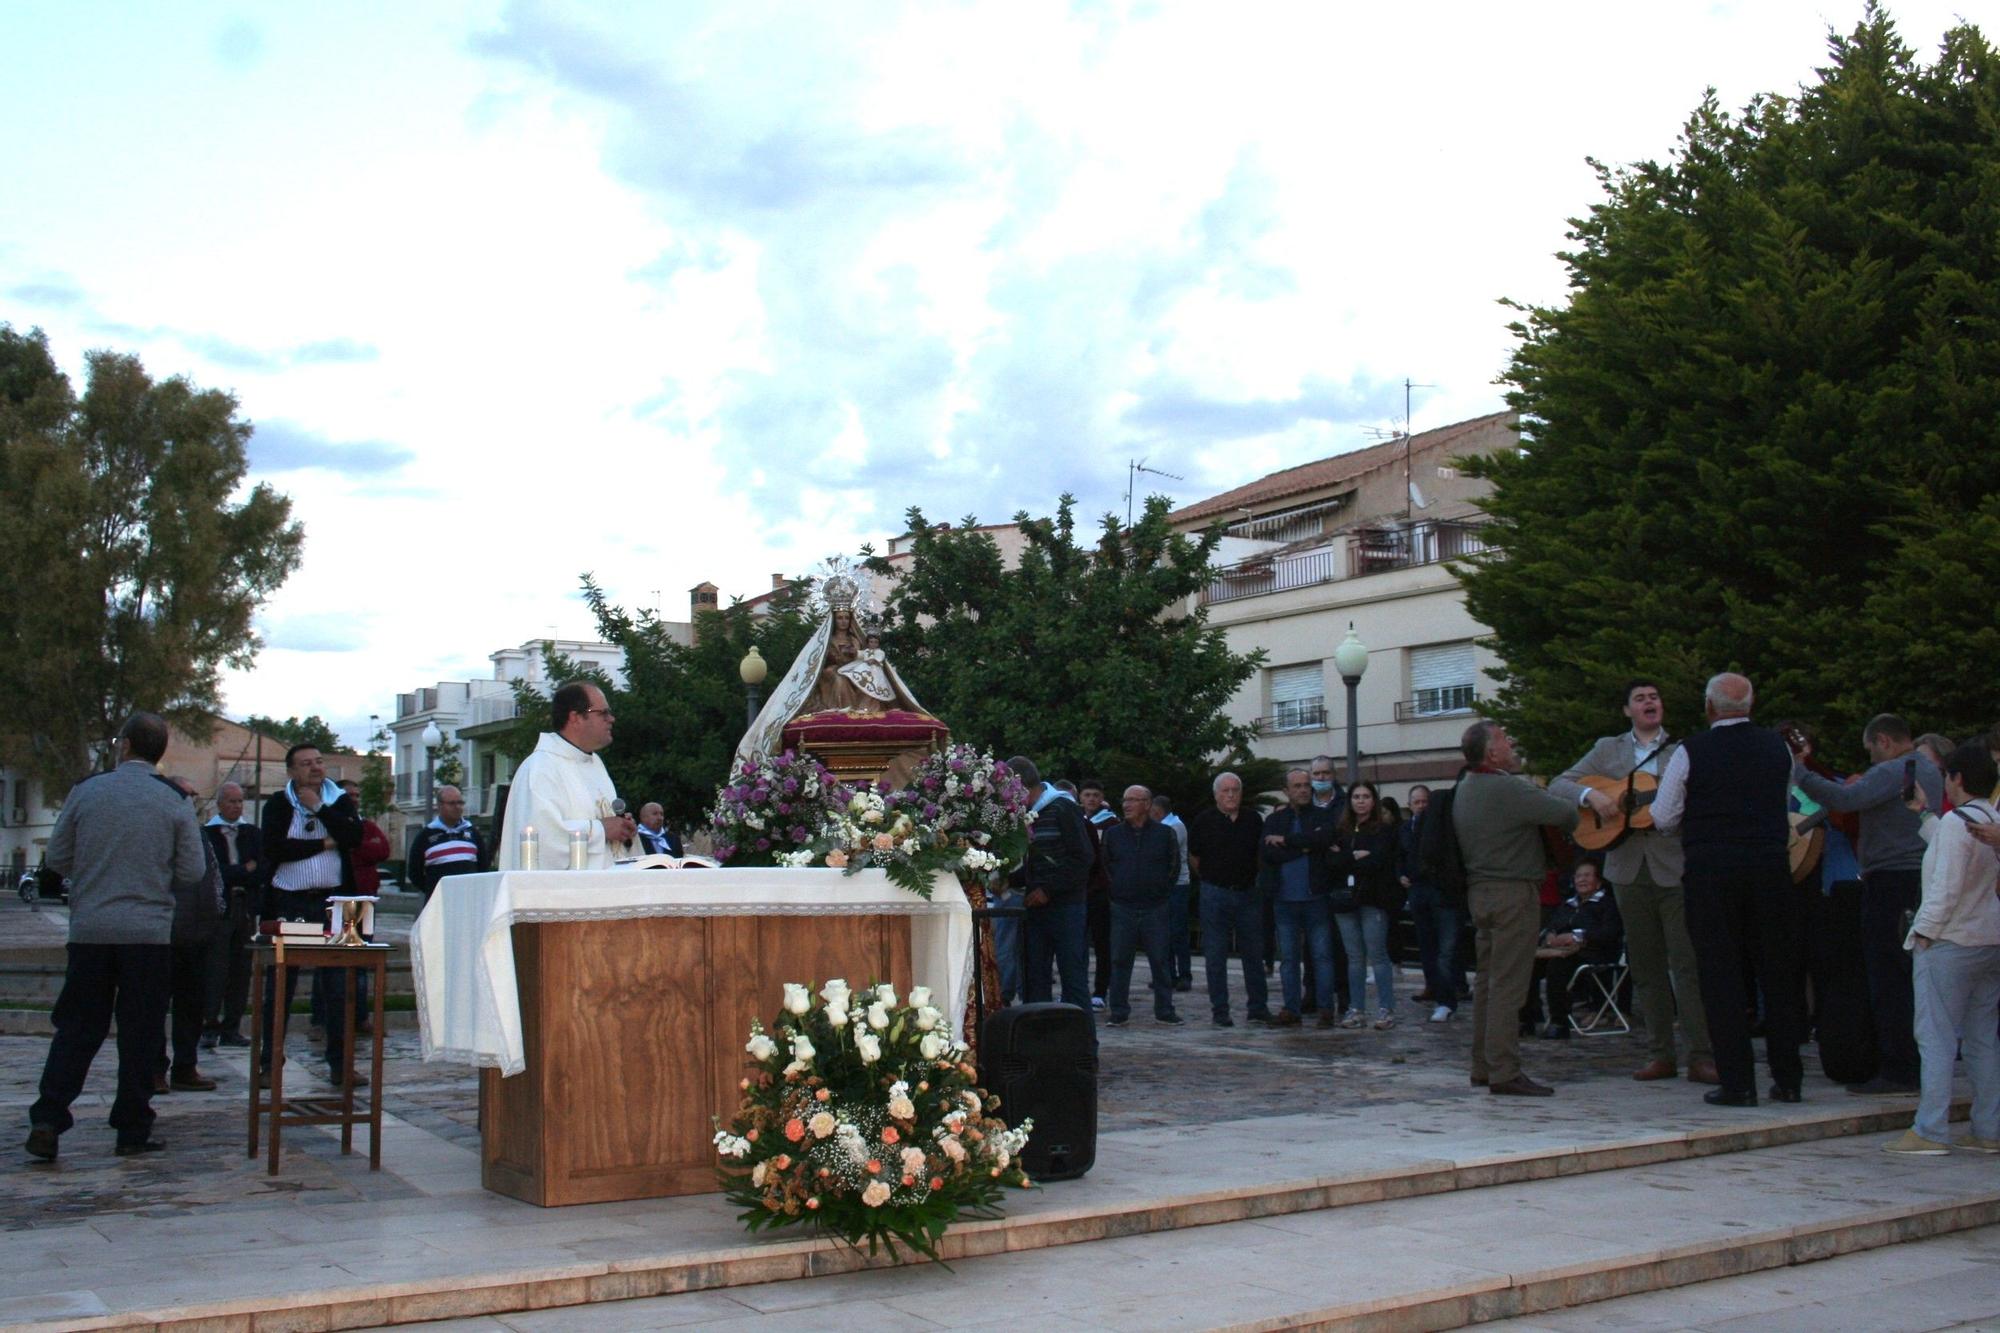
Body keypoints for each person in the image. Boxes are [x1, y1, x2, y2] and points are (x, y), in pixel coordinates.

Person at [26, 713, 207, 1161]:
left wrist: (94, 873)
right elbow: (192, 870)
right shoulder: (172, 801)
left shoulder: (87, 791)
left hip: (91, 930)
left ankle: (49, 1117)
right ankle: (132, 1127)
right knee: (141, 1032)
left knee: (76, 1029)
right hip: (147, 934)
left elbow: (59, 856)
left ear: (123, 745)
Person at [1549, 680, 1718, 1086]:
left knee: (1687, 963)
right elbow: (1559, 783)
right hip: (1626, 867)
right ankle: (1660, 1053)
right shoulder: (1609, 749)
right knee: (1645, 965)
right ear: (1627, 710)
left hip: (1672, 865)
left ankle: (1702, 1055)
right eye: (1640, 699)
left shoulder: (1682, 751)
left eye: (1655, 697)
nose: (1649, 703)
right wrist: (1593, 796)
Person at [1650, 673, 1804, 1107]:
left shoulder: (1690, 751)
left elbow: (1663, 816)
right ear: (1751, 706)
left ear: (1709, 707)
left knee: (1721, 977)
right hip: (1771, 870)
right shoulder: (1779, 749)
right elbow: (1784, 797)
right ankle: (1788, 1078)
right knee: (1777, 974)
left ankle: (1737, 1082)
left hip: (1712, 871)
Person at [1791, 713, 1942, 1095]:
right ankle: (1913, 1064)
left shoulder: (1896, 770)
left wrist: (1801, 770)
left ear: (1884, 741)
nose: (1871, 759)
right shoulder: (1924, 768)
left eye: (1871, 750)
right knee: (1907, 976)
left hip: (1891, 879)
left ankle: (1899, 1068)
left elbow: (1847, 798)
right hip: (1915, 876)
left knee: (1889, 975)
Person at [1452, 719, 1579, 1097]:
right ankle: (1505, 1070)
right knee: (1509, 986)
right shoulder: (1506, 787)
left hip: (1482, 892)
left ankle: (1483, 1066)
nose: (1512, 744)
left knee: (1489, 985)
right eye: (1506, 740)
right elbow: (1565, 814)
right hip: (1513, 892)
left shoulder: (1466, 787)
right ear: (1492, 752)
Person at [1885, 743, 2000, 1154]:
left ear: (1958, 779)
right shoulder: (1991, 818)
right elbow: (1959, 854)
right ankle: (1989, 1129)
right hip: (1988, 941)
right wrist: (1926, 815)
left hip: (1950, 942)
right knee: (1983, 1038)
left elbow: (1946, 886)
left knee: (1934, 1036)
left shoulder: (1958, 824)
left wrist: (1922, 933)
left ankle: (1930, 1129)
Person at [259, 743, 366, 1087]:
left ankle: (341, 1063)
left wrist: (318, 808)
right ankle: (269, 1062)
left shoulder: (338, 800)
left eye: (319, 761)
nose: (315, 768)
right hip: (292, 903)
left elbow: (354, 836)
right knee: (281, 985)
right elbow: (277, 848)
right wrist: (325, 843)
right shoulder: (278, 804)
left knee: (340, 987)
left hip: (338, 905)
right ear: (291, 771)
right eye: (306, 764)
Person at [497, 682, 636, 871]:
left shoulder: (595, 764)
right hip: (563, 895)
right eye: (603, 713)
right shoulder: (541, 767)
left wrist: (622, 828)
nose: (611, 719)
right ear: (576, 717)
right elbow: (541, 839)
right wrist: (601, 830)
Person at [1261, 768, 1351, 1029]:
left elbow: (1324, 839)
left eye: (1305, 785)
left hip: (1316, 898)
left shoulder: (1322, 816)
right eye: (1297, 786)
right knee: (1288, 959)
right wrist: (1305, 847)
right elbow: (1268, 853)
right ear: (1286, 791)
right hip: (1284, 900)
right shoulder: (1275, 820)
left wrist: (1289, 842)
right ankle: (1291, 1008)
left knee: (1322, 957)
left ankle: (1325, 1008)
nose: (1302, 790)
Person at [1010, 757, 1095, 1020]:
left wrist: (1047, 890)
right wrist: (1010, 879)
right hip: (1035, 910)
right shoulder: (1026, 814)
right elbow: (1037, 863)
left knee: (1073, 981)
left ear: (1021, 786)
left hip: (1066, 907)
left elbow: (1082, 858)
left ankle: (1083, 1050)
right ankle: (1041, 1046)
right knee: (1034, 982)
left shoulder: (1062, 808)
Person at [159, 776, 226, 1094]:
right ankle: (154, 1069)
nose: (193, 801)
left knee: (191, 1005)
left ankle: (185, 1066)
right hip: (164, 932)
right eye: (187, 794)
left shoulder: (199, 834)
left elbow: (212, 876)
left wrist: (217, 912)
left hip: (199, 934)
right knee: (156, 1006)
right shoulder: (158, 832)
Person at [1188, 771, 1269, 1027]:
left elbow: (1259, 856)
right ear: (1216, 795)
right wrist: (1211, 879)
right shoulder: (1204, 821)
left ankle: (1257, 1007)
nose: (1231, 795)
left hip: (1247, 892)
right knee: (1215, 954)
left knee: (1253, 953)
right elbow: (1194, 858)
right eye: (1226, 790)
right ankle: (1220, 1010)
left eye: (1235, 790)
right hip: (1215, 892)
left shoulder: (1253, 820)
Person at [1099, 784, 1184, 1027]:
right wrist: (1116, 891)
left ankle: (1165, 1009)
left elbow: (1173, 865)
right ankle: (1118, 1010)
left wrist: (1161, 892)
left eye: (1133, 800)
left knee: (1160, 960)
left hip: (1155, 906)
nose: (1126, 805)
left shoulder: (1164, 834)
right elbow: (1106, 865)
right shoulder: (1113, 834)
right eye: (1125, 800)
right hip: (1123, 906)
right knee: (1119, 960)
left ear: (1147, 804)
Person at [1529, 858, 1625, 1039]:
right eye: (1579, 876)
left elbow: (1610, 933)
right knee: (1528, 966)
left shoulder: (1607, 904)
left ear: (1598, 881)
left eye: (1587, 875)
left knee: (1557, 967)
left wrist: (1576, 936)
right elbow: (1553, 925)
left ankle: (1559, 1022)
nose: (1582, 880)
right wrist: (1550, 936)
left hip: (1594, 952)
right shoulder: (1568, 903)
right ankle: (1528, 1018)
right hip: (1562, 951)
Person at [1333, 781, 1401, 1029]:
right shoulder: (1341, 830)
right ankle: (1356, 1008)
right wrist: (1354, 856)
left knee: (1378, 955)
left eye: (1365, 796)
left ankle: (1386, 1009)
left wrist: (1350, 859)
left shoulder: (1384, 831)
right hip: (1345, 901)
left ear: (1374, 800)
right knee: (1354, 957)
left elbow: (1379, 861)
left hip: (1373, 899)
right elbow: (1333, 860)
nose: (1360, 801)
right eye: (1356, 796)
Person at [201, 782, 262, 1050]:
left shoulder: (251, 833)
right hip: (219, 909)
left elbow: (261, 869)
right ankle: (209, 1024)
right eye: (231, 801)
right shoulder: (207, 835)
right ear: (220, 804)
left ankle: (232, 1027)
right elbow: (213, 873)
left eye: (240, 801)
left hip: (245, 908)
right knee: (216, 968)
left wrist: (242, 872)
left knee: (241, 969)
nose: (237, 806)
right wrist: (242, 870)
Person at [1400, 785, 1464, 1023]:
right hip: (1421, 893)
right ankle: (1440, 994)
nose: (1422, 807)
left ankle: (1447, 998)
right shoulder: (1411, 829)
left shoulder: (1447, 831)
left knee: (1445, 951)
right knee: (1430, 949)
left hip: (1442, 895)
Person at [338, 778, 391, 1033]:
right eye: (350, 795)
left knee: (361, 960)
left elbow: (381, 850)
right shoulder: (334, 826)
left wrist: (358, 848)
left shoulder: (366, 826)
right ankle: (332, 1018)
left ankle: (360, 1017)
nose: (355, 799)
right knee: (336, 962)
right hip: (342, 900)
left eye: (357, 795)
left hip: (363, 900)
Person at [1307, 755, 1352, 1016]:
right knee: (1311, 945)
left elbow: (1342, 840)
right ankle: (1311, 993)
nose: (1321, 778)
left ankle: (1343, 996)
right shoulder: (1306, 806)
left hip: (1337, 883)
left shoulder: (1344, 806)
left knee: (1339, 945)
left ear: (1334, 775)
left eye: (1325, 773)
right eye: (1317, 774)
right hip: (1312, 882)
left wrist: (1320, 841)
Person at [408, 785, 490, 895]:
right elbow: (414, 873)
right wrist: (434, 891)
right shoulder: (425, 836)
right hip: (440, 903)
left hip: (468, 900)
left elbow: (483, 868)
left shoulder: (473, 833)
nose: (457, 807)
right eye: (452, 803)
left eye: (460, 803)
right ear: (439, 805)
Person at [1078, 778, 1116, 1012]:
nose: (1091, 799)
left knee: (1103, 944)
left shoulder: (1111, 823)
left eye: (1095, 795)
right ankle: (1078, 989)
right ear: (1080, 798)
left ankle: (1100, 991)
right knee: (1077, 944)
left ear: (1102, 798)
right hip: (1079, 890)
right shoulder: (1075, 820)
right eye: (1087, 795)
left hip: (1101, 890)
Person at [1151, 794, 1194, 994]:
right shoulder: (1167, 825)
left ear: (1158, 811)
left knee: (1177, 932)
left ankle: (1184, 974)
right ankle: (1168, 974)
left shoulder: (1175, 827)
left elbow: (1164, 855)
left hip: (1177, 885)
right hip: (1166, 885)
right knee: (1164, 932)